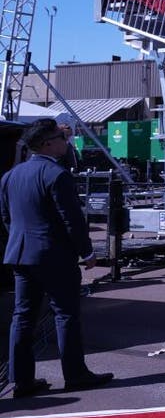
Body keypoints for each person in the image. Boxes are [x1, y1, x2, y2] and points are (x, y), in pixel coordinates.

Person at [2, 119, 114, 397]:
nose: (66, 142)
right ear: (47, 144)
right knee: (66, 315)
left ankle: (22, 380)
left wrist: (21, 242)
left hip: (20, 255)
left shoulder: (10, 176)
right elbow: (71, 220)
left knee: (22, 318)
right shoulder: (56, 175)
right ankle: (75, 374)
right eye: (60, 138)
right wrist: (87, 252)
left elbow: (7, 218)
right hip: (54, 257)